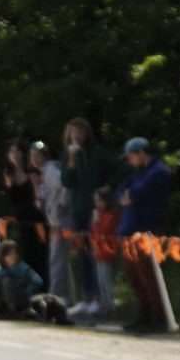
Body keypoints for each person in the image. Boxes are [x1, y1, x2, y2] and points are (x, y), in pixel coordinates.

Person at [61, 117, 126, 317]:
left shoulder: (96, 152)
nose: (77, 135)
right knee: (82, 252)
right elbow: (67, 181)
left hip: (94, 209)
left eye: (80, 132)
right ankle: (87, 296)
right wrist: (71, 162)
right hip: (76, 209)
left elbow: (121, 168)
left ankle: (100, 298)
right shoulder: (68, 155)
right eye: (73, 132)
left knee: (95, 253)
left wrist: (108, 187)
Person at [117, 137, 171, 331]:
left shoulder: (159, 172)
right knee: (134, 276)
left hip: (146, 230)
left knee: (148, 275)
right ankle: (144, 314)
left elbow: (136, 193)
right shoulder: (136, 174)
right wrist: (127, 196)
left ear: (141, 153)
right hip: (128, 230)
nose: (129, 161)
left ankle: (158, 316)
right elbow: (120, 192)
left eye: (130, 156)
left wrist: (130, 196)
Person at [30, 140, 73, 305]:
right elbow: (41, 203)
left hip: (62, 220)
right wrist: (36, 186)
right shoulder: (41, 175)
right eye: (33, 156)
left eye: (39, 155)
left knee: (56, 259)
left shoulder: (51, 170)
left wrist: (63, 203)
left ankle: (57, 298)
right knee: (57, 259)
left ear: (46, 156)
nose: (35, 159)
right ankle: (63, 297)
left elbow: (64, 184)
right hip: (53, 221)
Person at [3, 139, 49, 291]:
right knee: (27, 256)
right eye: (11, 152)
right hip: (23, 222)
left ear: (23, 153)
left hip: (39, 219)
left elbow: (40, 196)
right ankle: (30, 294)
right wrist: (9, 185)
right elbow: (12, 202)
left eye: (18, 151)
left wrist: (35, 184)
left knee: (43, 255)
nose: (15, 155)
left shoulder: (33, 171)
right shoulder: (8, 175)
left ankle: (46, 289)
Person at [0, 239, 43, 319]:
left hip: (20, 298)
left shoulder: (23, 268)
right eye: (10, 254)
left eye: (15, 253)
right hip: (3, 299)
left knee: (7, 281)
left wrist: (27, 292)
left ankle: (12, 309)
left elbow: (38, 281)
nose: (13, 256)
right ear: (3, 257)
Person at [92, 186, 120, 318]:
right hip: (98, 251)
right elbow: (94, 233)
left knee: (106, 279)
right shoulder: (100, 214)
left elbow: (103, 232)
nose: (97, 204)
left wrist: (96, 221)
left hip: (107, 251)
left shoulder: (110, 215)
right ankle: (104, 304)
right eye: (96, 201)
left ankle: (111, 306)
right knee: (100, 280)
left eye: (100, 201)